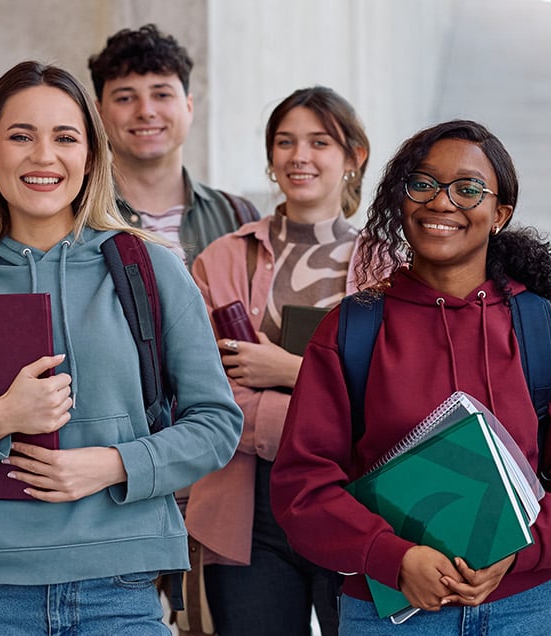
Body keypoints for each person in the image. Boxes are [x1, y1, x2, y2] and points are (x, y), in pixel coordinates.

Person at [0, 61, 242, 634]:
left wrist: (112, 464)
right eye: (21, 136)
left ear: (91, 155)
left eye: (65, 137)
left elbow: (215, 424)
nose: (44, 156)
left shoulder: (151, 270)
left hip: (122, 590)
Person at [269, 119, 551, 634]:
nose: (441, 202)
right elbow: (303, 486)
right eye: (423, 184)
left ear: (499, 213)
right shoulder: (352, 330)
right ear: (401, 199)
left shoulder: (544, 331)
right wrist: (392, 556)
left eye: (468, 189)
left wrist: (523, 548)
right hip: (388, 615)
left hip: (524, 610)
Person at [188, 86, 372, 636]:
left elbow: (401, 400)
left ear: (353, 156)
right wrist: (331, 406)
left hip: (360, 505)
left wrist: (291, 371)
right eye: (285, 142)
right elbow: (204, 393)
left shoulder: (391, 266)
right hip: (249, 514)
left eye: (319, 141)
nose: (300, 156)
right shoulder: (220, 260)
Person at [89, 23, 260, 266]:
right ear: (99, 113)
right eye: (125, 98)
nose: (146, 112)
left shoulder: (237, 217)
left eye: (162, 95)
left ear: (189, 106)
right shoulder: (75, 216)